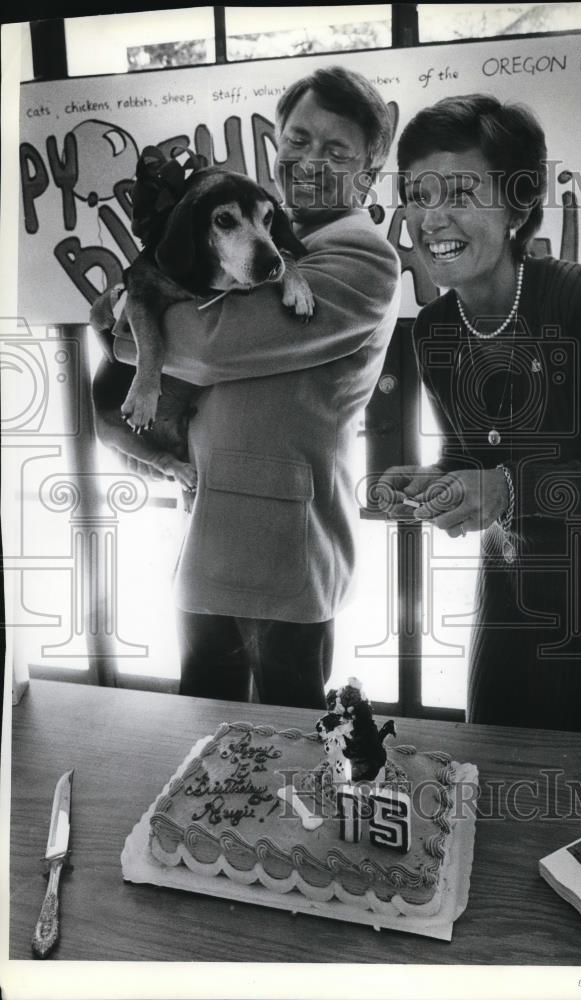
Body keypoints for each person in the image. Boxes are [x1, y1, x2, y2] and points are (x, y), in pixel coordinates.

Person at [377, 94, 581, 737]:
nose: (433, 216)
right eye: (418, 193)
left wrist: (507, 490)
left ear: (516, 206)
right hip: (514, 571)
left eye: (460, 190)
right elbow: (473, 457)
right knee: (491, 740)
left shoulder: (576, 297)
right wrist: (432, 484)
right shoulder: (434, 328)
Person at [103, 67, 400, 708]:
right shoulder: (273, 236)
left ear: (369, 172)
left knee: (286, 754)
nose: (308, 159)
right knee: (203, 747)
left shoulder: (361, 256)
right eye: (297, 139)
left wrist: (127, 321)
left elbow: (212, 346)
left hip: (285, 551)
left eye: (336, 149)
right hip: (209, 532)